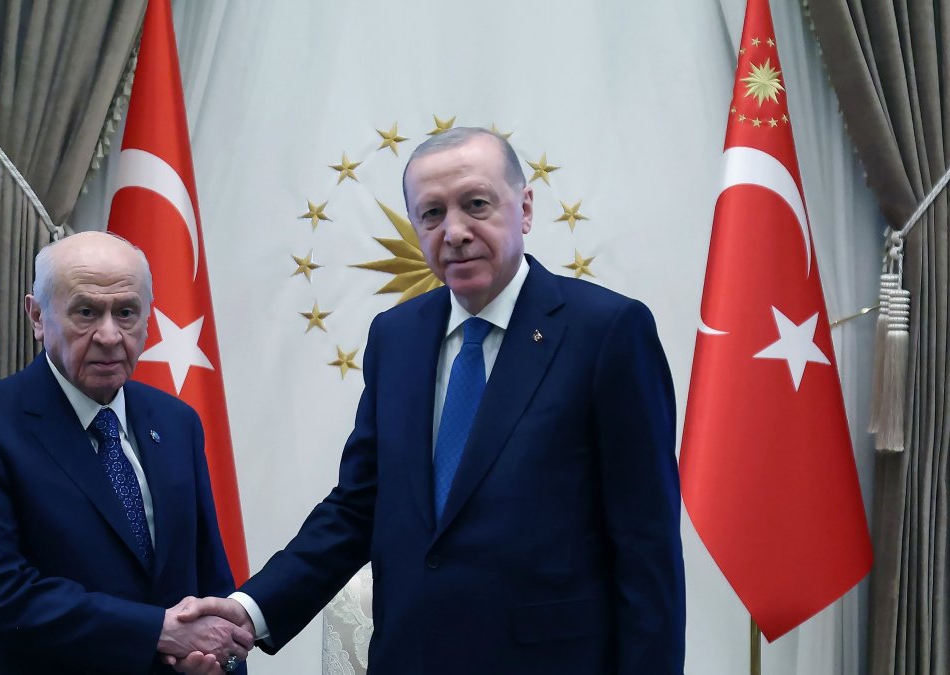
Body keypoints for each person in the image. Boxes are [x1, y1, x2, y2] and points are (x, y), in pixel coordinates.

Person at [175, 127, 685, 674]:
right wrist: (249, 612)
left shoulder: (606, 331)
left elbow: (646, 548)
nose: (456, 232)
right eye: (433, 213)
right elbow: (357, 507)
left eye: (477, 205)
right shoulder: (396, 337)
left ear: (526, 208)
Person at [0, 231, 252, 675]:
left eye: (126, 313)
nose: (109, 335)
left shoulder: (177, 422)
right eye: (86, 312)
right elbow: (1, 597)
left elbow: (211, 580)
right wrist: (158, 631)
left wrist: (220, 661)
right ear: (37, 317)